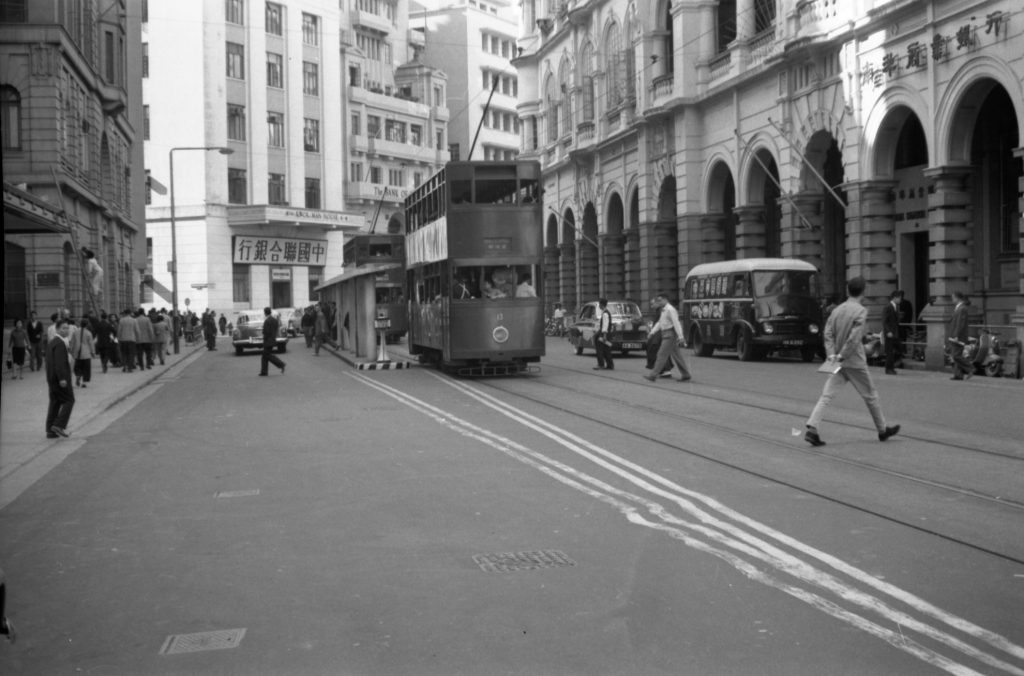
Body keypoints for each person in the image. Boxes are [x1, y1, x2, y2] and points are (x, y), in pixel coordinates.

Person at [804, 276, 900, 447]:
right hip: (854, 361)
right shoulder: (861, 311)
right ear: (863, 292)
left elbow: (827, 334)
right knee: (870, 396)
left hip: (836, 361)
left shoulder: (837, 310)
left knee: (826, 395)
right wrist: (843, 354)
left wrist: (832, 354)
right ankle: (882, 430)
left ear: (848, 291)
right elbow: (854, 337)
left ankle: (812, 427)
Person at [644, 292, 691, 382]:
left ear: (666, 299)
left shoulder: (670, 310)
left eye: (660, 300)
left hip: (669, 335)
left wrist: (681, 336)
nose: (659, 302)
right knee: (677, 356)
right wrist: (652, 332)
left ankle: (653, 375)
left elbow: (676, 323)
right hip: (666, 334)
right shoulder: (664, 309)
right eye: (658, 300)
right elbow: (660, 323)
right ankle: (686, 374)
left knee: (661, 354)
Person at [45, 318, 75, 438]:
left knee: (55, 402)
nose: (66, 330)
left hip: (52, 378)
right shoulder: (60, 343)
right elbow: (59, 363)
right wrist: (62, 378)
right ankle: (58, 425)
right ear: (57, 329)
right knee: (69, 400)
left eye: (67, 328)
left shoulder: (53, 342)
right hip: (59, 379)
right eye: (63, 328)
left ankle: (50, 430)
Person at [946, 290, 973, 380]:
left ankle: (970, 368)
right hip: (955, 335)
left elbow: (960, 323)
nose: (952, 300)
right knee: (955, 354)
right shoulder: (959, 308)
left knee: (956, 355)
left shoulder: (962, 308)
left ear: (957, 298)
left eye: (953, 298)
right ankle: (958, 374)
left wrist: (956, 335)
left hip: (958, 336)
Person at [258, 307, 286, 376]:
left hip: (268, 340)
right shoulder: (274, 320)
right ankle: (264, 372)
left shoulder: (267, 321)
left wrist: (263, 337)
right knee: (265, 356)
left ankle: (281, 364)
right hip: (273, 339)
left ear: (265, 313)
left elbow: (266, 332)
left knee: (267, 355)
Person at [70, 318, 95, 388]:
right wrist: (93, 352)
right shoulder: (88, 333)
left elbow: (72, 342)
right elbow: (91, 344)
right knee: (86, 368)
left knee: (77, 366)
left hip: (77, 352)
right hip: (86, 353)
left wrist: (71, 350)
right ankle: (84, 382)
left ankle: (78, 375)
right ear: (87, 325)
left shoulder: (75, 332)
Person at [881, 290, 901, 375]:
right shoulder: (888, 307)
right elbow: (884, 321)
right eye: (899, 298)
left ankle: (892, 366)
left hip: (895, 332)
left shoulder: (895, 307)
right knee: (889, 351)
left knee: (897, 349)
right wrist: (888, 331)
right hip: (890, 333)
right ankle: (889, 368)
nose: (900, 300)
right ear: (895, 298)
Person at [594, 298, 614, 370]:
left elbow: (605, 325)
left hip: (603, 335)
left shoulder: (605, 313)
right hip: (607, 334)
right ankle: (610, 365)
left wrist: (604, 335)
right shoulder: (606, 312)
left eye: (599, 304)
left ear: (601, 304)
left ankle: (601, 364)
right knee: (607, 350)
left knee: (599, 349)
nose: (599, 305)